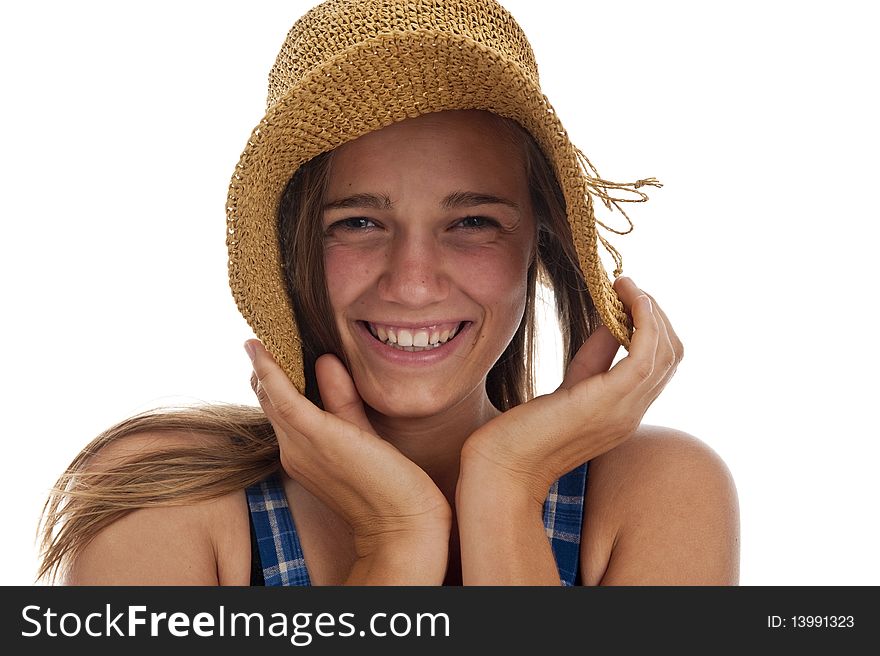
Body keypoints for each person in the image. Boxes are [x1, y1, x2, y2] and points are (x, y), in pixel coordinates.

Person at [38, 0, 739, 586]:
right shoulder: (161, 491)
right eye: (359, 222)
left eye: (471, 222)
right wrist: (394, 540)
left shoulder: (659, 492)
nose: (411, 281)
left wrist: (505, 484)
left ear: (541, 245)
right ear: (294, 249)